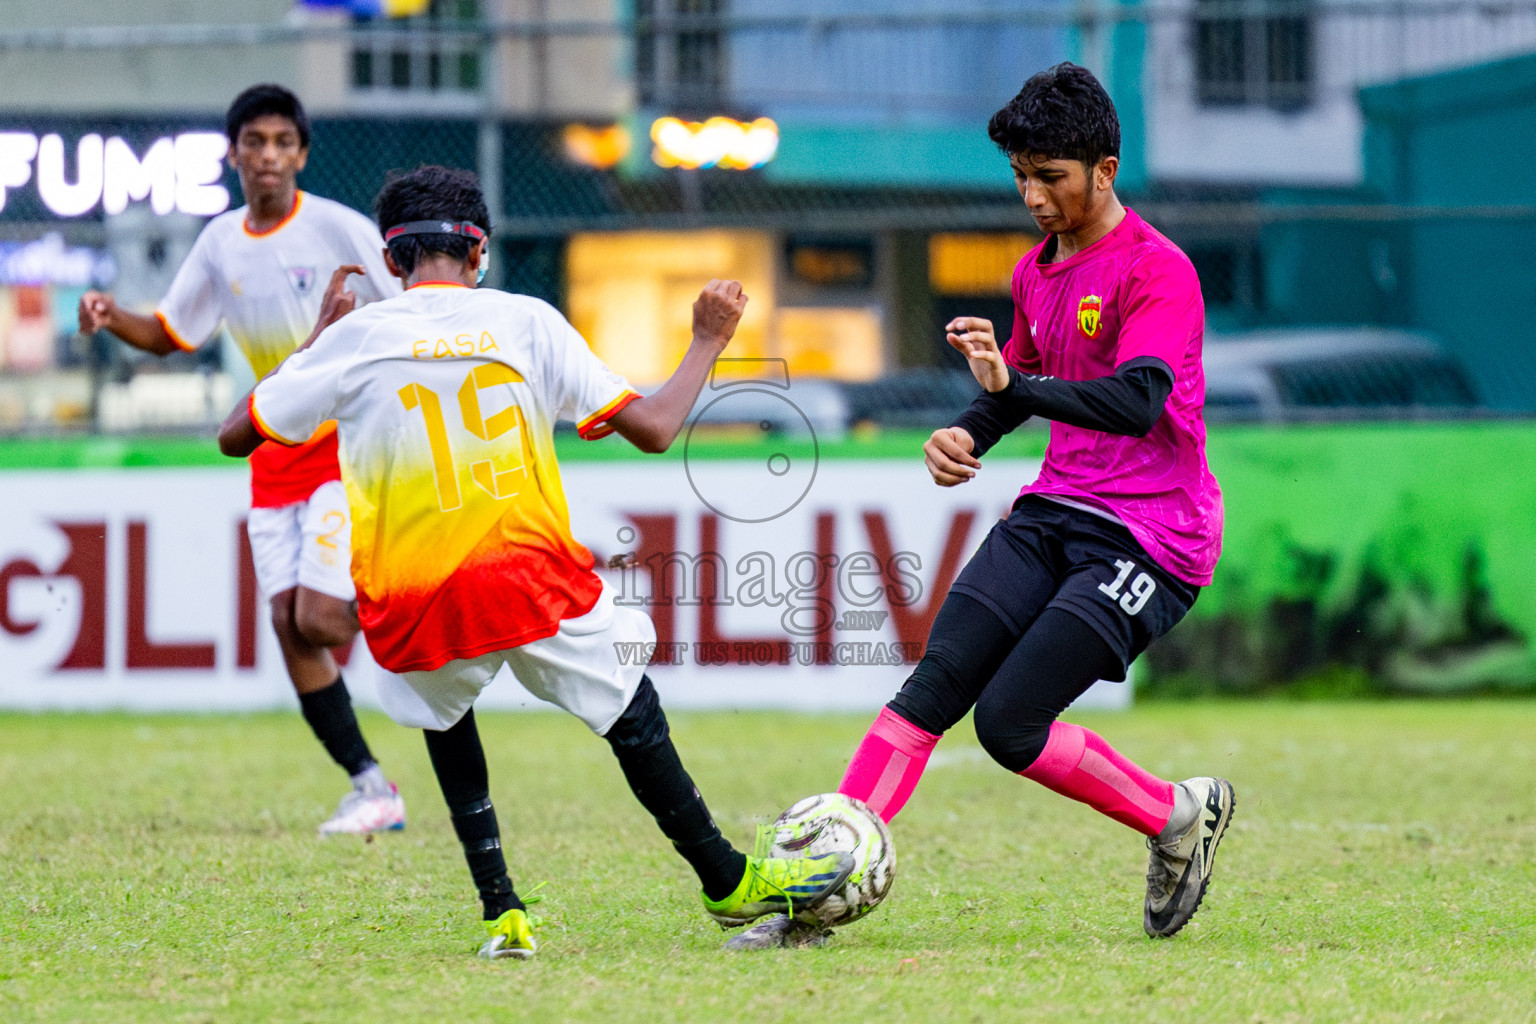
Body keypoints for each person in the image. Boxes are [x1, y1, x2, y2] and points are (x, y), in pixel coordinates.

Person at [215, 165, 853, 959]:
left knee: (443, 718)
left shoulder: (351, 340)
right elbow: (654, 428)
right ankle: (726, 880)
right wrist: (708, 340)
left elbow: (236, 436)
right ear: (478, 251)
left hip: (412, 603)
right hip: (530, 583)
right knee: (630, 708)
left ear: (391, 262)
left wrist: (312, 345)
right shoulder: (525, 321)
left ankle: (501, 913)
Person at [838, 63, 1233, 940]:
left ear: (1106, 169)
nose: (1034, 196)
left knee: (1010, 724)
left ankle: (1177, 818)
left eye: (1050, 176)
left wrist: (1016, 382)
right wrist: (969, 431)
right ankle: (825, 874)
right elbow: (1020, 386)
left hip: (1151, 539)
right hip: (1056, 509)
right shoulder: (1034, 273)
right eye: (1021, 176)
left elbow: (1136, 403)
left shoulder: (1157, 271)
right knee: (932, 688)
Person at [78, 85, 406, 836]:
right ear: (232, 154)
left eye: (282, 141)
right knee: (289, 626)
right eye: (253, 141)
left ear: (301, 154)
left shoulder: (337, 228)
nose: (267, 154)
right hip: (271, 449)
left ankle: (430, 609)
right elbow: (170, 330)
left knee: (319, 615)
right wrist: (109, 314)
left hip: (341, 443)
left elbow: (408, 309)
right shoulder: (222, 240)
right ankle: (371, 787)